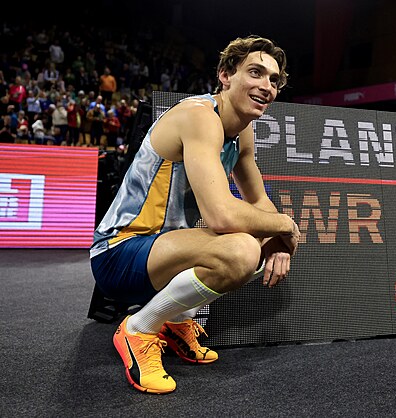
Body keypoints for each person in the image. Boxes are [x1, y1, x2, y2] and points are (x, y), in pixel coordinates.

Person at [90, 36, 300, 394]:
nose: (267, 86)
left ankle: (176, 320)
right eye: (255, 73)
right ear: (225, 75)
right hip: (119, 252)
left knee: (260, 242)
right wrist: (285, 225)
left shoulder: (242, 133)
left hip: (163, 251)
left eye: (274, 79)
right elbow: (220, 215)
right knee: (241, 250)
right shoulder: (199, 116)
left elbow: (259, 202)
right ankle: (139, 329)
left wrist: (279, 239)